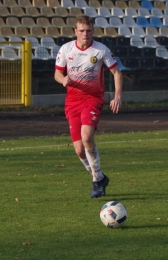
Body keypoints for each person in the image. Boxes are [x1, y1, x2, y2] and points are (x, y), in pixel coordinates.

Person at [54, 15, 123, 198]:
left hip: (93, 98)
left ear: (93, 31)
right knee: (78, 150)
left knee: (86, 137)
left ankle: (96, 182)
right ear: (75, 31)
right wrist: (64, 80)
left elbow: (116, 73)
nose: (85, 34)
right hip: (72, 101)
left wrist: (117, 97)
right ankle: (99, 177)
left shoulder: (101, 50)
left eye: (89, 30)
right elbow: (57, 74)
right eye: (82, 31)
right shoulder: (66, 49)